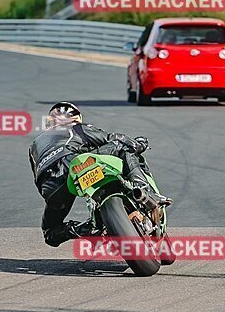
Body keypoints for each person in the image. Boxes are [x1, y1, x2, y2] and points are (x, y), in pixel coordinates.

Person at [29, 102, 170, 247]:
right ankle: (144, 190)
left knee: (50, 232)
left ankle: (86, 229)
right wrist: (138, 144)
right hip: (77, 164)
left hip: (51, 187)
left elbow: (37, 177)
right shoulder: (75, 128)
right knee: (123, 148)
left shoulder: (35, 144)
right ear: (76, 117)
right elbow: (112, 139)